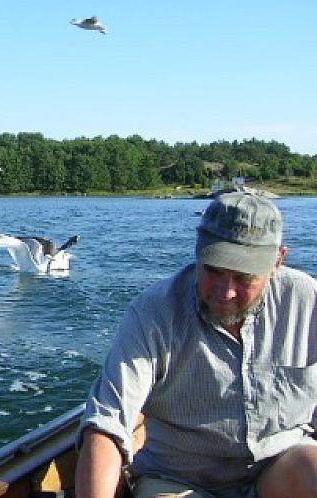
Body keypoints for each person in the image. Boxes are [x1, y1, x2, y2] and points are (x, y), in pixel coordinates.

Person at [75, 191, 317, 498]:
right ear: (198, 251)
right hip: (180, 478)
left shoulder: (307, 300)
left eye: (244, 278)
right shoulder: (153, 314)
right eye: (213, 270)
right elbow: (106, 425)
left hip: (279, 466)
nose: (226, 292)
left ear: (278, 261)